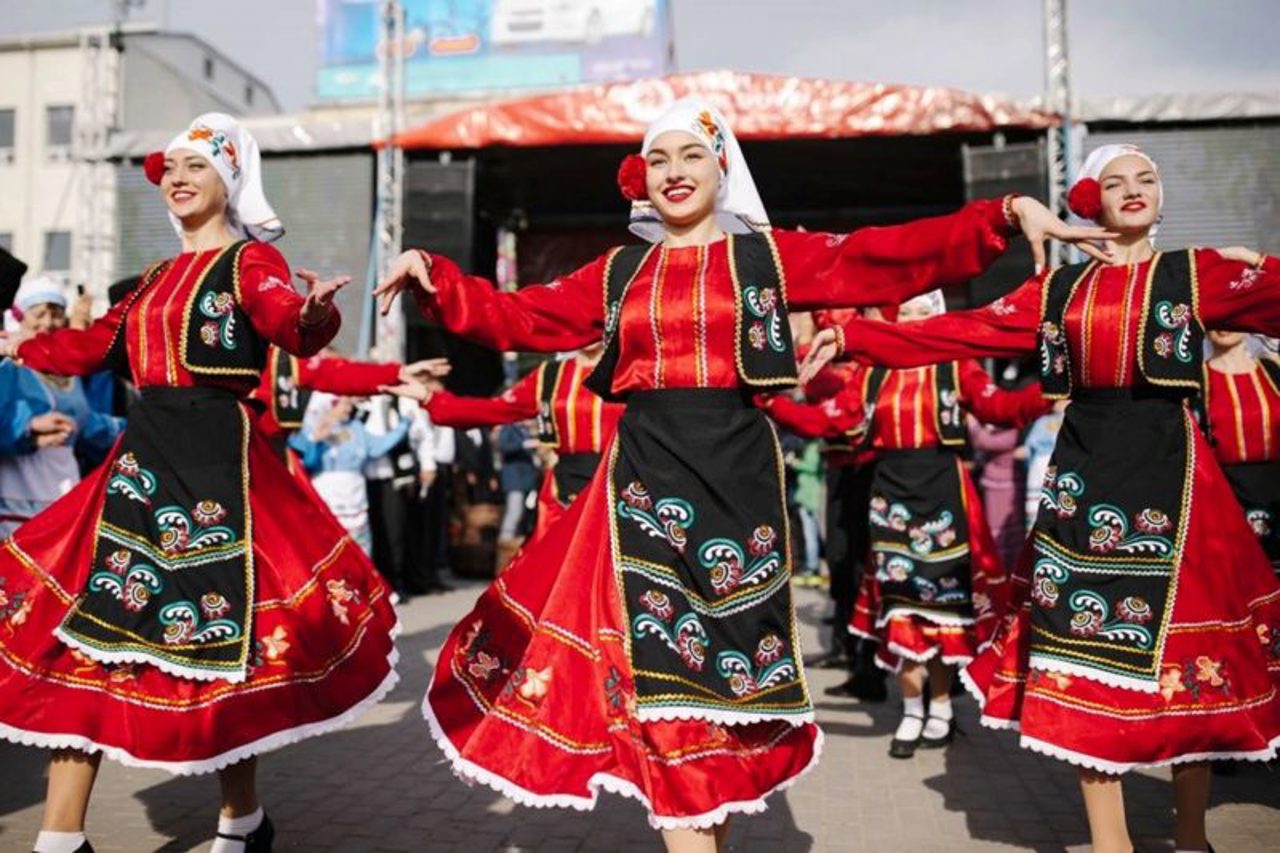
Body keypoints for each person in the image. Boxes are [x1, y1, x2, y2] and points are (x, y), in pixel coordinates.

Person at [374, 97, 1105, 850]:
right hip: (645, 491)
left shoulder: (768, 257)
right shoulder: (618, 272)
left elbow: (879, 254)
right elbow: (519, 317)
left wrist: (1004, 213)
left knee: (721, 695)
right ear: (639, 180)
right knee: (665, 689)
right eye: (657, 159)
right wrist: (436, 273)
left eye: (691, 155)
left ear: (722, 168)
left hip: (739, 492)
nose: (673, 172)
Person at [802, 144, 1280, 853]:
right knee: (1079, 665)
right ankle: (1110, 841)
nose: (1134, 189)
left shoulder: (1193, 274)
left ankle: (1190, 835)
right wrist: (853, 333)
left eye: (1146, 178)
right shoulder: (1058, 292)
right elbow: (956, 330)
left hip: (1179, 490)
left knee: (1190, 677)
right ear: (1089, 198)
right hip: (1085, 493)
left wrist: (1257, 264)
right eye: (1115, 181)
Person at [0, 113, 398, 853]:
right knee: (91, 632)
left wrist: (315, 313)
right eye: (171, 169)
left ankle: (240, 822)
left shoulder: (250, 264)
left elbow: (289, 321)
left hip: (217, 471)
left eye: (196, 167)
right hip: (140, 467)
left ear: (229, 181)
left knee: (219, 642)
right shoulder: (154, 277)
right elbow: (94, 343)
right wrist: (25, 343)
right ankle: (60, 837)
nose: (178, 180)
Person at [764, 289, 1047, 759]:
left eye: (924, 314)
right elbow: (826, 422)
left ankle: (941, 709)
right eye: (906, 313)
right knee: (898, 610)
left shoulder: (957, 368)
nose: (915, 323)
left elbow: (1000, 409)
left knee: (943, 612)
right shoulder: (875, 375)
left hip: (944, 495)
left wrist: (1052, 390)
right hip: (891, 499)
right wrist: (767, 402)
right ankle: (912, 709)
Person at [0, 277, 124, 537]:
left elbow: (85, 423)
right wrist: (29, 427)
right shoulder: (9, 365)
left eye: (56, 314)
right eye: (39, 313)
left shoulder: (65, 371)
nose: (47, 322)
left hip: (63, 485)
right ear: (21, 316)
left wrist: (136, 429)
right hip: (18, 490)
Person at [289, 393, 410, 556]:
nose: (349, 408)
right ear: (331, 405)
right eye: (344, 404)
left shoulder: (356, 427)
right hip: (327, 495)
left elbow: (377, 447)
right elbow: (307, 465)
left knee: (360, 551)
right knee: (329, 549)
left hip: (355, 497)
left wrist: (404, 425)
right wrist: (315, 441)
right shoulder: (311, 428)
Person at [1202, 329, 1280, 574]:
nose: (1225, 327)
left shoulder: (1273, 372)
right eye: (1219, 320)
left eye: (1234, 318)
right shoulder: (1197, 381)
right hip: (1226, 498)